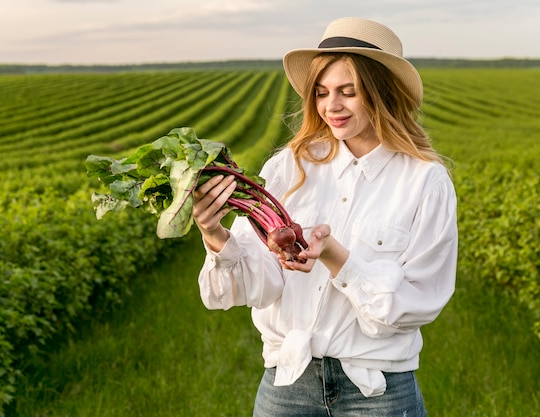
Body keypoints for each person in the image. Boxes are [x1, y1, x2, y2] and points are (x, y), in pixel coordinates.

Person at [192, 17, 458, 417]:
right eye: (322, 93)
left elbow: (419, 302)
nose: (331, 106)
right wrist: (214, 234)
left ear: (381, 94)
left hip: (377, 392)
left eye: (348, 93)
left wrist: (337, 258)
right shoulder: (290, 166)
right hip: (288, 383)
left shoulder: (424, 181)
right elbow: (257, 287)